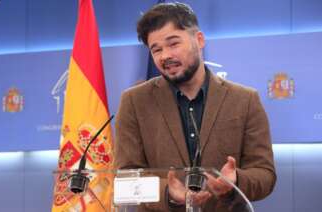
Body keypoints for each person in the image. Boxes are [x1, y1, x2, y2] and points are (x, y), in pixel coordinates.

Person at [115, 2, 276, 211]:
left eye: (173, 44)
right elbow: (125, 179)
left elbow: (265, 174)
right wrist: (167, 192)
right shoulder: (134, 102)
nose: (165, 56)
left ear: (199, 40)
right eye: (156, 50)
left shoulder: (245, 99)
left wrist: (235, 180)